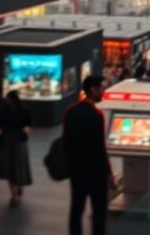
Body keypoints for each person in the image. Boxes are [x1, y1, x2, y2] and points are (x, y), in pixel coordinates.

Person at [64, 75, 112, 235]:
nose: (103, 90)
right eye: (101, 87)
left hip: (77, 171)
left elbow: (66, 141)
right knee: (99, 211)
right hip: (95, 173)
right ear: (93, 90)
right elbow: (99, 148)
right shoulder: (96, 116)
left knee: (76, 208)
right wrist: (109, 173)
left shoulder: (70, 111)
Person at [0, 90, 33, 207]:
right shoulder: (18, 110)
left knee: (12, 167)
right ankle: (14, 193)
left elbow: (0, 125)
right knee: (14, 167)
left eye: (8, 99)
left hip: (12, 141)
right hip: (15, 141)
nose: (7, 101)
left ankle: (16, 191)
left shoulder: (11, 110)